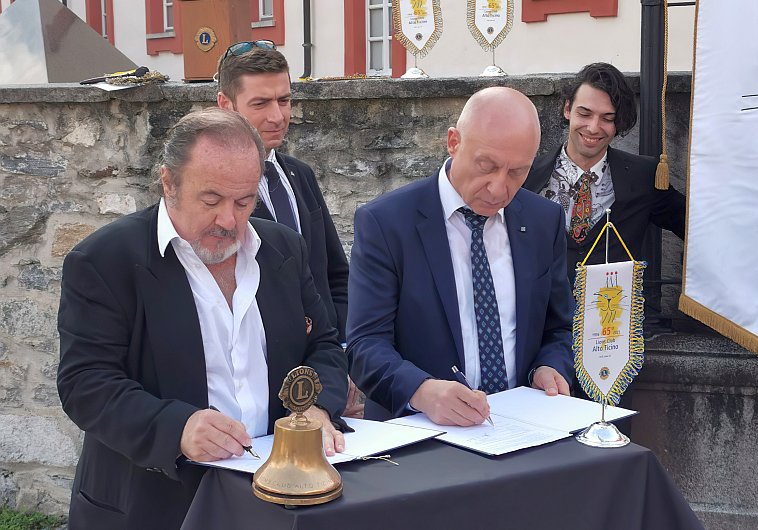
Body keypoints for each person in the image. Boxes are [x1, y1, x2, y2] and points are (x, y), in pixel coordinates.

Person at [57, 108, 348, 529]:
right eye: (211, 200)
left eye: (244, 201)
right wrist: (177, 428)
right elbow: (86, 383)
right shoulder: (105, 260)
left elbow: (323, 344)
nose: (229, 220)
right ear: (169, 183)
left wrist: (317, 408)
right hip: (153, 504)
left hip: (276, 495)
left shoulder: (284, 248)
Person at [347, 87, 574, 425]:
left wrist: (549, 366)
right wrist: (421, 391)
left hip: (524, 425)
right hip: (421, 433)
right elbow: (365, 345)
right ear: (453, 142)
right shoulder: (386, 223)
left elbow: (560, 326)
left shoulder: (543, 220)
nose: (499, 188)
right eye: (486, 166)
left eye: (517, 172)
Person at [216, 40, 349, 344]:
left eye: (284, 100)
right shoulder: (210, 192)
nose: (277, 116)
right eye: (260, 103)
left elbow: (335, 273)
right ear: (226, 104)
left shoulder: (300, 174)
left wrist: (340, 343)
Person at [523, 62, 686, 283]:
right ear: (567, 109)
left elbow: (696, 228)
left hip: (613, 304)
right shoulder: (526, 175)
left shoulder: (644, 177)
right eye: (585, 114)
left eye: (607, 118)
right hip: (543, 305)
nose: (593, 128)